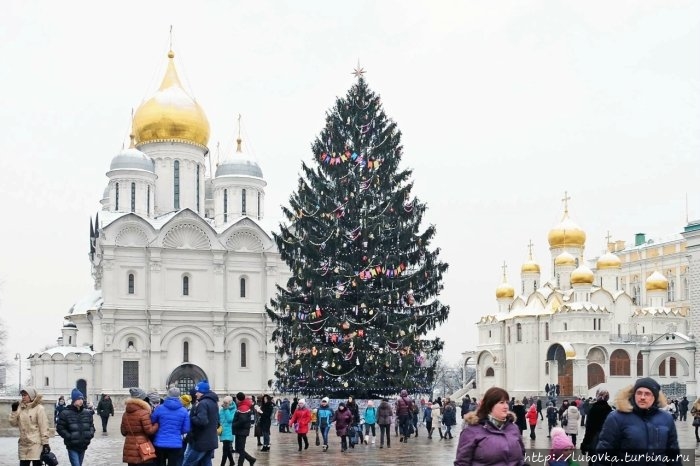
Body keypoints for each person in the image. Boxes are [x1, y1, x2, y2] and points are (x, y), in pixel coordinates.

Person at [595, 377, 680, 465]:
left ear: (655, 397)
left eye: (647, 394)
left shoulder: (666, 418)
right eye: (639, 393)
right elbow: (603, 454)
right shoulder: (616, 418)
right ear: (634, 394)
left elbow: (673, 454)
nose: (642, 397)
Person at [454, 386, 525, 466]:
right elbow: (461, 463)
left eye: (507, 402)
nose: (506, 406)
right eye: (501, 403)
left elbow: (520, 458)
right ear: (490, 405)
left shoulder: (513, 428)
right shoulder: (471, 431)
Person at [9, 387, 50, 466]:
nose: (23, 397)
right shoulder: (20, 408)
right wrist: (14, 411)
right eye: (22, 395)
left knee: (37, 464)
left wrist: (45, 443)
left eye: (25, 395)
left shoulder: (39, 409)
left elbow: (44, 426)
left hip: (36, 443)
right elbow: (13, 423)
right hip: (23, 444)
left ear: (31, 396)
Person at [183, 380, 220, 466]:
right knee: (206, 463)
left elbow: (202, 421)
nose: (196, 394)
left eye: (198, 392)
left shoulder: (203, 403)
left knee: (188, 463)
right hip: (210, 440)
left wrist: (191, 418)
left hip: (202, 441)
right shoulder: (213, 402)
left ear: (202, 392)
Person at [151, 386, 190, 466]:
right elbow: (186, 429)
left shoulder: (159, 408)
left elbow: (152, 421)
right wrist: (177, 430)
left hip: (160, 442)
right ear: (179, 397)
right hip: (175, 443)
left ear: (167, 395)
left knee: (160, 463)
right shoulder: (184, 411)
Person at [56, 388, 96, 466]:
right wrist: (69, 436)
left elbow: (91, 426)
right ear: (74, 400)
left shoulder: (86, 413)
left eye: (82, 398)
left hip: (83, 444)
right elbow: (60, 428)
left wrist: (89, 434)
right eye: (79, 398)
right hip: (72, 446)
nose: (81, 401)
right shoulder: (65, 413)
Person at [122, 387, 159, 466]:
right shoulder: (144, 413)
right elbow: (149, 431)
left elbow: (123, 432)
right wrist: (156, 425)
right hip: (142, 445)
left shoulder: (125, 413)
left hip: (129, 445)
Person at [580, 388, 612, 455]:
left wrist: (585, 444)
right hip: (607, 442)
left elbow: (589, 429)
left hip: (594, 441)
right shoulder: (610, 410)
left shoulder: (593, 410)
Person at [232, 392, 256, 465]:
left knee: (240, 449)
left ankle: (242, 463)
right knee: (238, 449)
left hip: (242, 431)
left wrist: (234, 424)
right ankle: (251, 459)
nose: (235, 399)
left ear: (239, 399)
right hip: (240, 430)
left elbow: (242, 420)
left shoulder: (243, 407)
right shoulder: (242, 406)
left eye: (236, 398)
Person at [218, 395, 236, 466]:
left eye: (226, 403)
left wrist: (226, 410)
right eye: (224, 402)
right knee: (227, 448)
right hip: (223, 431)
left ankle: (222, 464)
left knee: (225, 449)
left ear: (230, 402)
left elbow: (230, 419)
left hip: (229, 431)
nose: (224, 404)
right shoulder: (221, 409)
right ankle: (232, 462)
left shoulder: (234, 410)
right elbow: (219, 419)